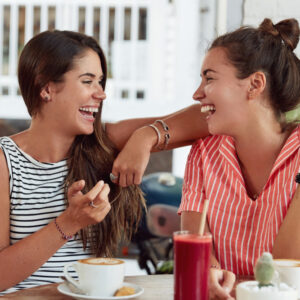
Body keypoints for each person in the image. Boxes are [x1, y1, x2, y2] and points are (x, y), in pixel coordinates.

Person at [109, 18, 300, 300]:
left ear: (255, 84)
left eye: (209, 79)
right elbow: (197, 249)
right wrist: (208, 271)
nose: (197, 93)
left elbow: (285, 276)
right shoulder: (205, 153)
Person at [0, 30, 145, 294]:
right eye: (88, 81)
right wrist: (69, 222)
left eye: (100, 81)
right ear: (47, 88)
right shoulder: (4, 162)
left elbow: (200, 119)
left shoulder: (105, 142)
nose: (100, 94)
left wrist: (146, 136)